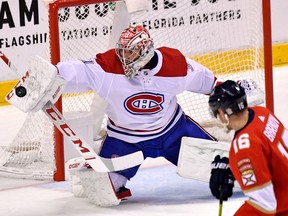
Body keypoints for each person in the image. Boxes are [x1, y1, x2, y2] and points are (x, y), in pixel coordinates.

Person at [56, 25, 218, 206]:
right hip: (125, 140)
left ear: (146, 50)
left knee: (223, 170)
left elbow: (208, 82)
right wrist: (53, 74)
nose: (124, 57)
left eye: (131, 52)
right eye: (122, 51)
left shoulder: (173, 64)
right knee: (104, 192)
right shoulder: (108, 66)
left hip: (174, 133)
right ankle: (88, 168)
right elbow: (80, 70)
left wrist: (227, 90)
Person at [208, 80, 288, 215]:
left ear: (222, 112)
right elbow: (267, 151)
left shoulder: (243, 148)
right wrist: (234, 168)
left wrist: (240, 160)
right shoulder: (262, 113)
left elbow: (265, 205)